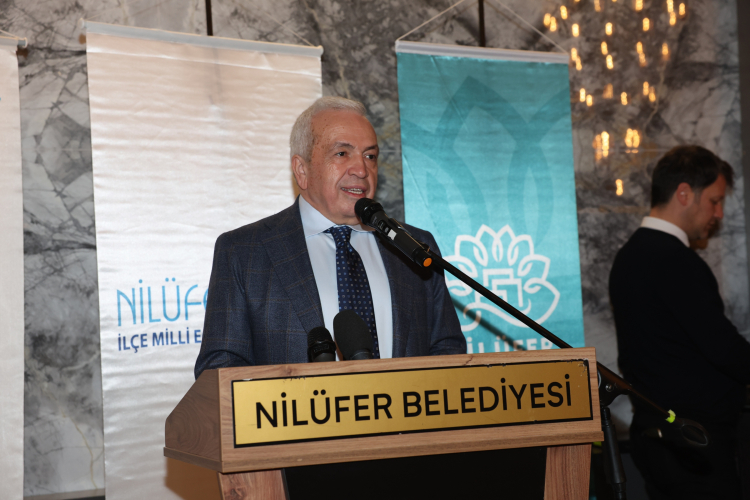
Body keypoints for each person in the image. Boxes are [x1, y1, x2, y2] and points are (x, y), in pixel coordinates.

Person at [194, 96, 466, 377]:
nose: (361, 170)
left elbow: (448, 351)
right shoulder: (245, 252)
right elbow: (219, 370)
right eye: (342, 153)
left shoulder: (413, 247)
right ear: (302, 170)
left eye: (370, 156)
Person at [609, 145, 750, 499]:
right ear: (684, 193)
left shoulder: (629, 256)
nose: (719, 213)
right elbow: (722, 348)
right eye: (714, 201)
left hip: (657, 438)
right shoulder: (675, 260)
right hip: (693, 445)